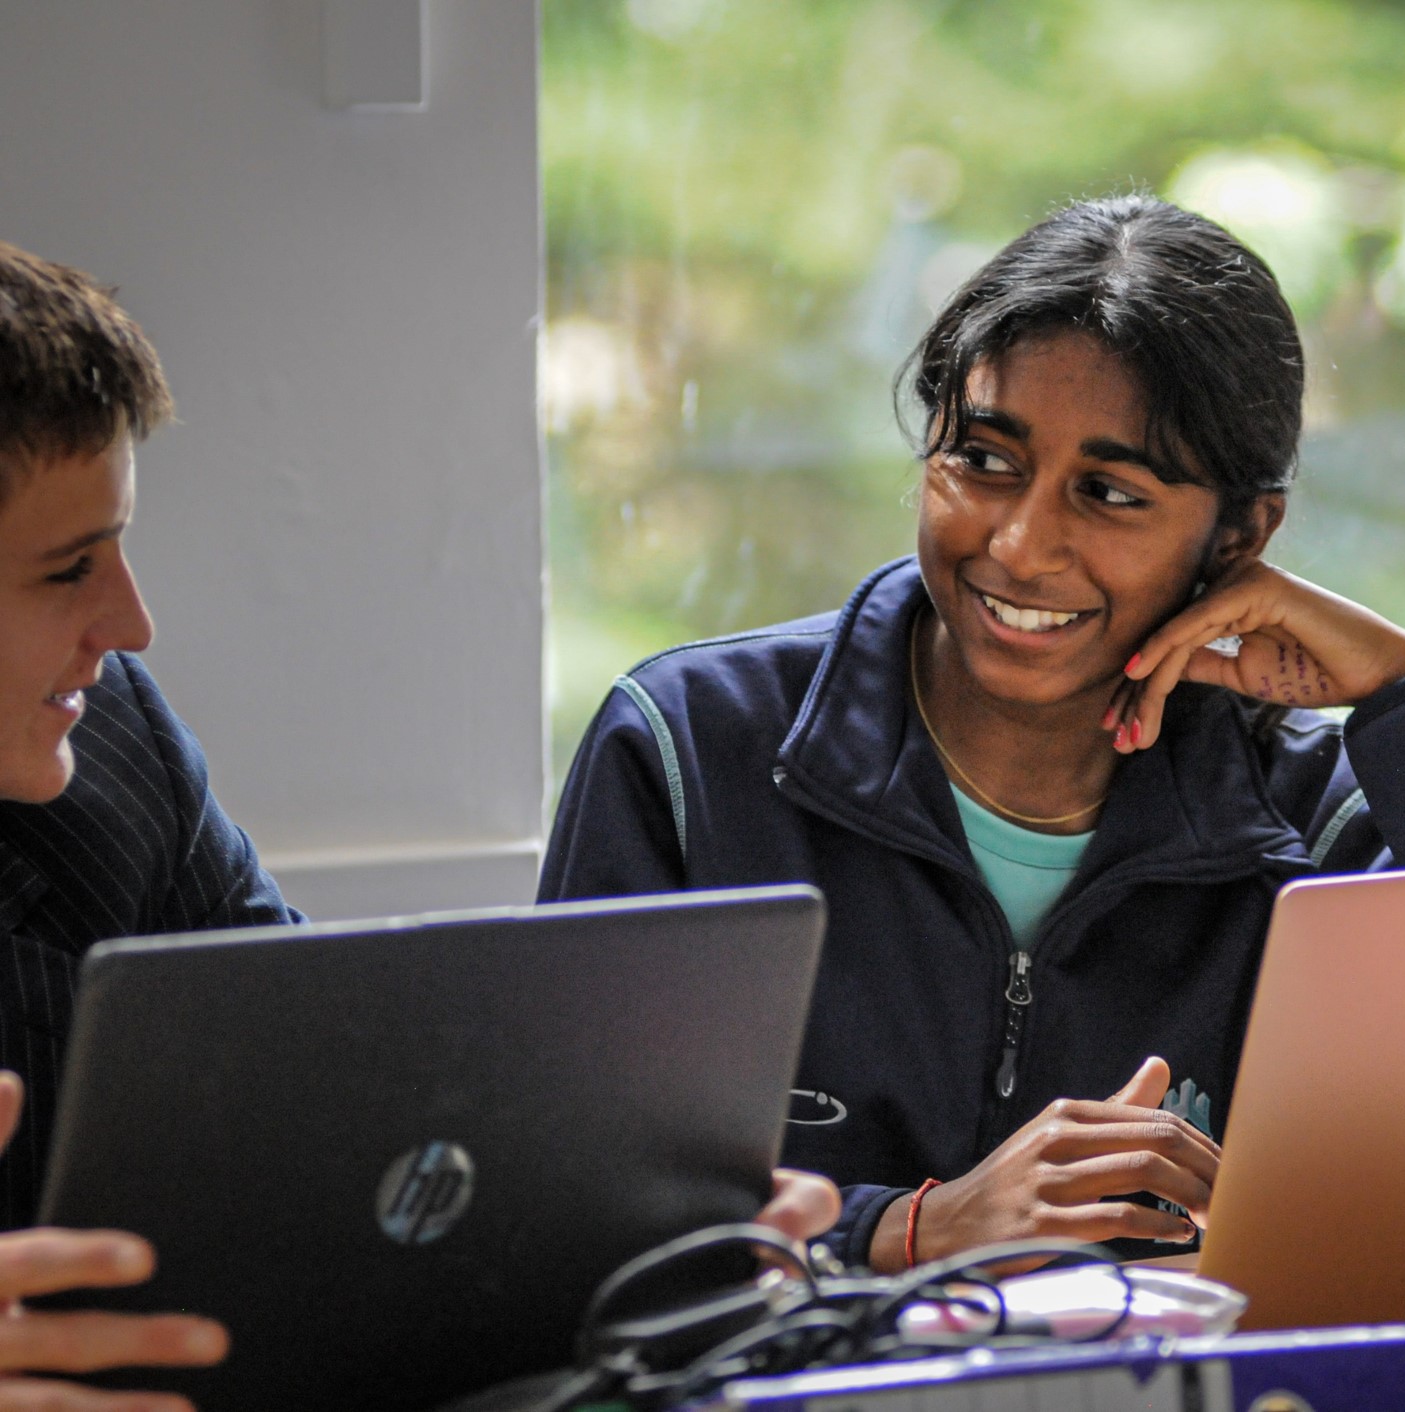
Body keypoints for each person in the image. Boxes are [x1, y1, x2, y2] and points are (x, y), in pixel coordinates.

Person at [543, 195, 1405, 1273]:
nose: (1022, 545)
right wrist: (913, 1229)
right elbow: (572, 1210)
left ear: (1240, 534)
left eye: (1107, 492)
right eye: (981, 460)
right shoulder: (684, 753)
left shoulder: (1314, 817)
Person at [0, 240, 843, 1407]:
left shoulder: (115, 742)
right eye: (66, 570)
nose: (132, 624)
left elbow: (329, 1088)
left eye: (122, 544)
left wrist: (629, 1234)